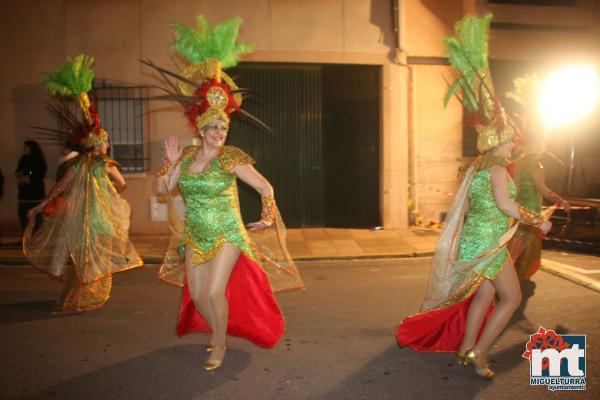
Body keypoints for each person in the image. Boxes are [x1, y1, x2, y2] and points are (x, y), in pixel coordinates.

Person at [395, 14, 551, 379]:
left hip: (477, 240)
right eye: (513, 138)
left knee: (484, 296)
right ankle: (479, 352)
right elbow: (506, 205)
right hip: (487, 244)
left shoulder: (478, 167)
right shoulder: (497, 168)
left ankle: (467, 348)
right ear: (499, 141)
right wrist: (536, 219)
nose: (517, 142)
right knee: (510, 299)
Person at [145, 15, 304, 371]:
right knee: (199, 294)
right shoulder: (184, 158)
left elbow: (266, 186)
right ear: (201, 130)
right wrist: (168, 165)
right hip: (196, 234)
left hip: (228, 232)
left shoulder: (231, 158)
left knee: (215, 292)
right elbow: (162, 191)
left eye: (223, 126)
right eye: (213, 127)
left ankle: (219, 344)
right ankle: (219, 330)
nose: (219, 132)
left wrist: (265, 216)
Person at [23, 54, 142, 312]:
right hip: (98, 219)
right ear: (97, 144)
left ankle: (74, 298)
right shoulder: (104, 163)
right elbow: (121, 184)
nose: (107, 145)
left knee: (81, 260)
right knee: (92, 259)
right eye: (105, 142)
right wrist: (108, 186)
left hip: (78, 220)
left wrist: (40, 206)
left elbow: (59, 188)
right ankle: (81, 298)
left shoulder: (77, 164)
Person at [505, 74, 570, 280]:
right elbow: (543, 190)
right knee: (521, 246)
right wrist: (560, 200)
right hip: (531, 210)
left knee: (515, 244)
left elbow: (513, 187)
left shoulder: (519, 162)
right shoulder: (534, 164)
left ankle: (509, 277)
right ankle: (508, 279)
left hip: (518, 209)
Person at [15, 140, 47, 231]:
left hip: (35, 194)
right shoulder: (23, 159)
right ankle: (25, 237)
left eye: (26, 148)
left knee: (36, 217)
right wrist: (19, 174)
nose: (23, 149)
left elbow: (39, 174)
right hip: (24, 194)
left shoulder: (38, 160)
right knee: (22, 215)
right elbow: (20, 170)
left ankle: (36, 237)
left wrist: (28, 178)